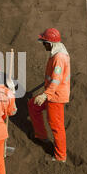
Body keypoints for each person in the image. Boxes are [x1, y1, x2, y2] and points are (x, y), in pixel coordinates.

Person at [28, 28, 71, 162]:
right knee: (33, 105)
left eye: (44, 42)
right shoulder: (58, 50)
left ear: (50, 43)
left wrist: (45, 95)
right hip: (51, 93)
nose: (43, 44)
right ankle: (41, 136)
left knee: (56, 126)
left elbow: (56, 80)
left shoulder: (59, 58)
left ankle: (60, 156)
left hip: (55, 96)